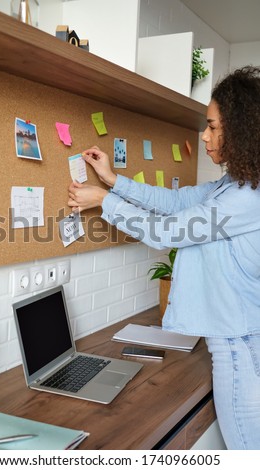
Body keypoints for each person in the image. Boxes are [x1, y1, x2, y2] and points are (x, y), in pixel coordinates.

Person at [67, 66, 260, 450]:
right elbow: (175, 202)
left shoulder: (247, 198)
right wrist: (112, 180)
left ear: (241, 130)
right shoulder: (232, 184)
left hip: (241, 348)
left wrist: (104, 201)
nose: (204, 136)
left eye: (212, 126)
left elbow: (167, 231)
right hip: (236, 338)